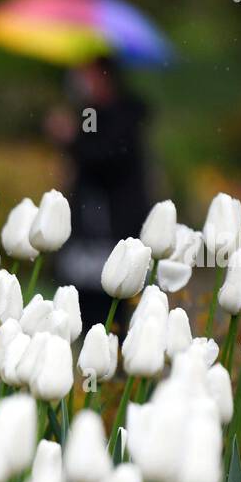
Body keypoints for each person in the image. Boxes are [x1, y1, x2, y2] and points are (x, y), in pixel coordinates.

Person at [45, 56, 151, 327]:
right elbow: (87, 148)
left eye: (87, 74)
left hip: (113, 225)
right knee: (83, 307)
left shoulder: (121, 114)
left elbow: (103, 158)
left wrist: (71, 139)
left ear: (105, 77)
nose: (79, 81)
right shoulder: (90, 112)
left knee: (111, 312)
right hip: (88, 226)